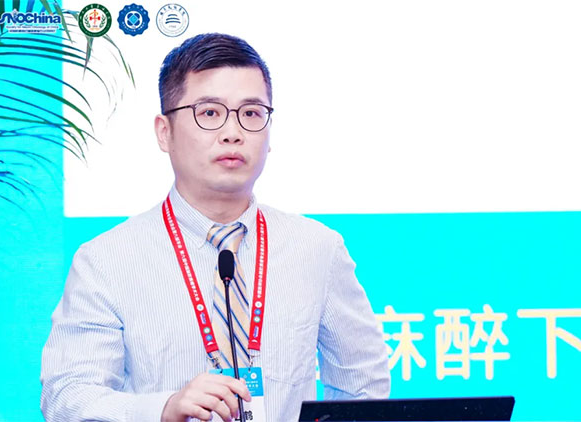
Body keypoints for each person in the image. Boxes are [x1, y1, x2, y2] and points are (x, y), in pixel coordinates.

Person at [41, 33, 390, 422]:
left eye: (251, 113)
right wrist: (162, 409)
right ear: (164, 132)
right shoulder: (106, 260)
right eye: (209, 113)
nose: (232, 132)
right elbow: (68, 397)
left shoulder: (317, 249)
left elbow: (364, 385)